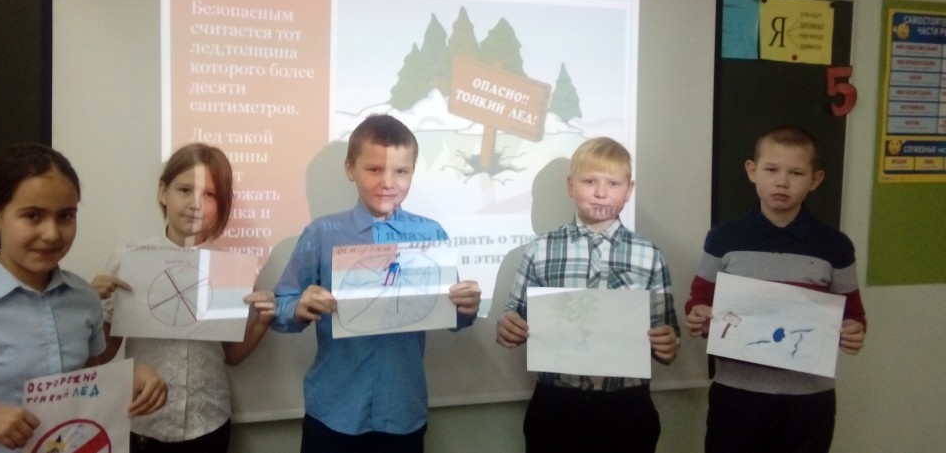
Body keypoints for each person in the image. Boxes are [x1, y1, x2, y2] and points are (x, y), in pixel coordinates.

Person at [0, 143, 168, 453]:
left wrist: (132, 378)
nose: (52, 234)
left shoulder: (84, 299)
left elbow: (87, 390)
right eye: (33, 216)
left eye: (66, 216)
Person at [271, 114, 482, 453]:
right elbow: (279, 308)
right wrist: (297, 308)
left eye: (401, 171)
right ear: (350, 168)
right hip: (333, 410)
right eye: (374, 169)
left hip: (402, 410)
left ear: (412, 172)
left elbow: (452, 315)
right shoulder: (321, 234)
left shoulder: (431, 235)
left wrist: (466, 309)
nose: (387, 182)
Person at [684, 125, 867, 453]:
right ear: (752, 171)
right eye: (771, 170)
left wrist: (853, 331)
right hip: (736, 395)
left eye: (796, 173)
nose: (782, 182)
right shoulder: (723, 239)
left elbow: (852, 315)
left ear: (815, 179)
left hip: (808, 401)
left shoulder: (835, 246)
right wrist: (698, 315)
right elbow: (699, 301)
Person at [496, 136, 680, 453]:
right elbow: (514, 314)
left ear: (629, 190)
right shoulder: (539, 250)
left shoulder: (649, 255)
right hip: (556, 405)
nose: (601, 192)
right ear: (571, 186)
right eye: (589, 181)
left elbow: (667, 335)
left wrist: (668, 342)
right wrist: (508, 325)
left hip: (627, 408)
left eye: (613, 183)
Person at [91, 143, 275, 453]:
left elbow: (231, 356)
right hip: (144, 423)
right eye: (184, 190)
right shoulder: (129, 259)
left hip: (209, 419)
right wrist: (92, 306)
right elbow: (105, 353)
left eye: (210, 194)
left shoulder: (229, 269)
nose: (195, 204)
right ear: (163, 192)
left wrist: (262, 322)